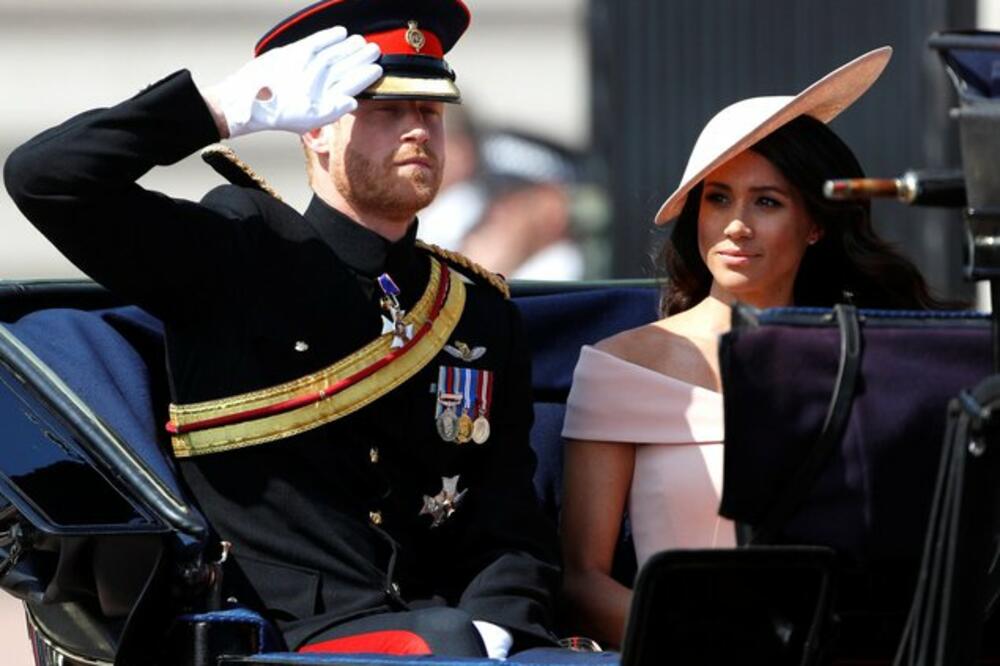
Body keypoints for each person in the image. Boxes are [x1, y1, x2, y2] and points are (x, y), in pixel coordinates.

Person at [3, 0, 560, 659]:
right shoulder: (240, 252)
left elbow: (506, 522)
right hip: (283, 634)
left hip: (445, 635)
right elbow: (45, 179)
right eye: (385, 110)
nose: (417, 130)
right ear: (316, 129)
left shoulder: (474, 309)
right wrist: (216, 112)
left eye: (430, 111)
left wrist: (501, 626)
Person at [558, 46, 950, 648]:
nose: (736, 224)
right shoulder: (620, 365)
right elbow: (582, 581)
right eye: (718, 198)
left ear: (815, 225)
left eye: (767, 201)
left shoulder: (874, 359)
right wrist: (701, 647)